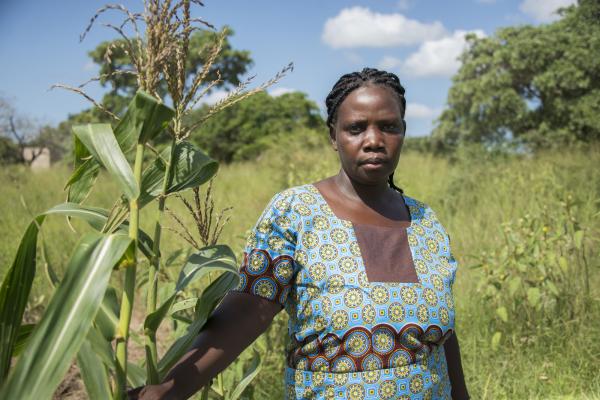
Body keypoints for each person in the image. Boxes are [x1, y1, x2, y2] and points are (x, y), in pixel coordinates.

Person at [132, 68, 470, 400]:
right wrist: (169, 390)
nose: (373, 141)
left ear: (403, 132)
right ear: (333, 136)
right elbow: (251, 308)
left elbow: (443, 335)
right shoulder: (297, 211)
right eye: (355, 128)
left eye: (388, 127)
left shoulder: (426, 223)